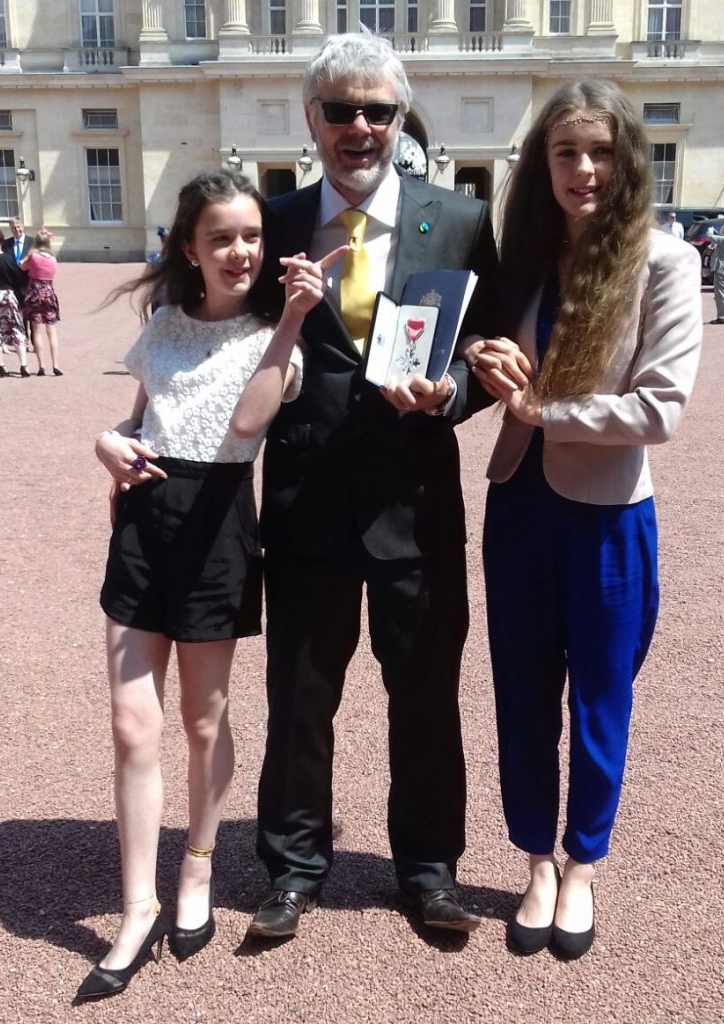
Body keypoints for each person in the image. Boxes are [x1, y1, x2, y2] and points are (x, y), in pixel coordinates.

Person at [246, 30, 499, 942]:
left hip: (414, 498)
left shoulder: (459, 219)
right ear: (311, 117)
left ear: (401, 118)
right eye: (341, 110)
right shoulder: (270, 221)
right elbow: (222, 343)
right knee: (299, 697)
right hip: (306, 496)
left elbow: (490, 346)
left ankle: (429, 870)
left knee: (426, 695)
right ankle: (293, 866)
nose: (360, 127)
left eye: (379, 111)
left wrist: (452, 394)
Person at [76, 169, 342, 1002]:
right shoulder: (162, 323)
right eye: (220, 237)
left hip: (220, 523)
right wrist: (107, 442)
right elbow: (139, 418)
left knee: (202, 720)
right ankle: (136, 906)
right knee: (130, 724)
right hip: (143, 524)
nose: (239, 251)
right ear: (189, 248)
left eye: (252, 236)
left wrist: (293, 318)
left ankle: (197, 863)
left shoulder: (275, 330)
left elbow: (248, 422)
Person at [469, 80, 702, 959]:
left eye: (601, 151)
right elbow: (497, 349)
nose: (584, 169)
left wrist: (542, 410)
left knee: (602, 696)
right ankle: (535, 858)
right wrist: (484, 353)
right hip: (518, 501)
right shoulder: (529, 255)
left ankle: (582, 864)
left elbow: (659, 408)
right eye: (566, 152)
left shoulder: (665, 263)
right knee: (521, 693)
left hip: (608, 516)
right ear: (544, 164)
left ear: (628, 160)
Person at [0, 227, 31, 377]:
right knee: (17, 329)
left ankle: (1, 365)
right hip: (6, 294)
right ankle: (23, 365)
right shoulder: (8, 258)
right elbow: (17, 279)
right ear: (2, 241)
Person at [20, 229, 62, 375]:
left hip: (35, 293)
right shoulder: (53, 259)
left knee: (37, 331)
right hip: (49, 293)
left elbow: (22, 265)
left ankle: (41, 366)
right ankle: (56, 365)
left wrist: (30, 254)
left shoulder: (33, 256)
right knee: (52, 331)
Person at [1, 216, 32, 346]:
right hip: (14, 283)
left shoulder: (32, 242)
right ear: (10, 229)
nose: (16, 229)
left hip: (29, 282)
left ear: (23, 226)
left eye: (18, 227)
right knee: (19, 312)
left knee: (31, 312)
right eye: (13, 228)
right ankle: (24, 337)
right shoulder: (6, 244)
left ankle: (34, 339)